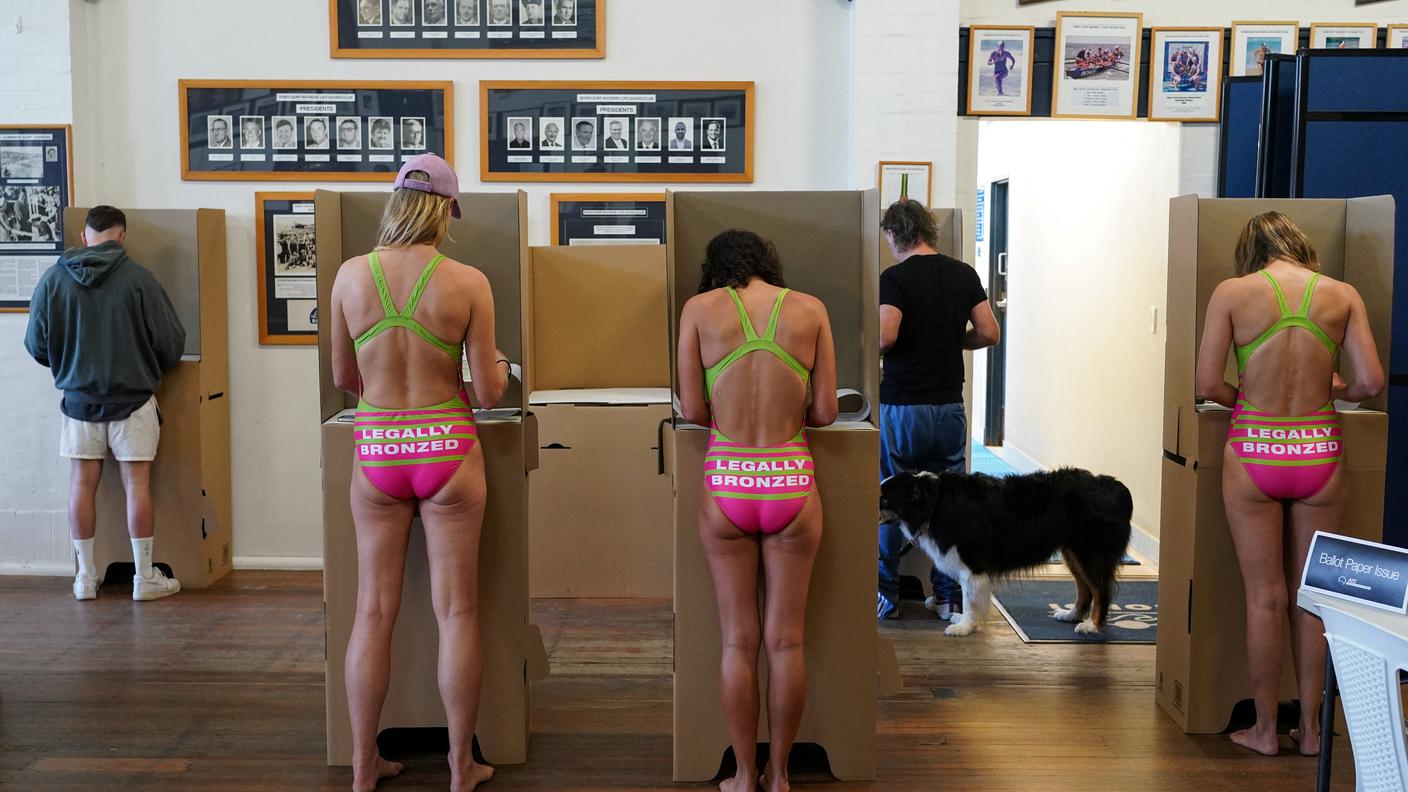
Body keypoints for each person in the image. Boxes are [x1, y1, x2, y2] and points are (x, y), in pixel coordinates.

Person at [330, 153, 508, 792]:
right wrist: (495, 367)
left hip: (378, 448)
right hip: (447, 448)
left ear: (395, 204)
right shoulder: (467, 281)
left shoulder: (351, 276)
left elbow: (344, 380)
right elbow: (488, 393)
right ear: (445, 212)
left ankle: (362, 766)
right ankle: (462, 766)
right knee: (457, 611)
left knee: (372, 612)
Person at [1195, 212, 1384, 757]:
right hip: (1320, 452)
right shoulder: (1342, 295)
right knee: (1313, 598)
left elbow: (1207, 383)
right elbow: (1369, 383)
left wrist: (1251, 401)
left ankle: (1263, 731)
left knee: (1264, 598)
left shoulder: (1233, 292)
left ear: (1250, 251)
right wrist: (1334, 384)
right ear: (1300, 246)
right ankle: (1312, 731)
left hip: (1254, 451)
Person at [677, 230, 837, 792]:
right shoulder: (810, 309)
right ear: (769, 262)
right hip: (791, 480)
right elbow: (824, 412)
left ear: (714, 266)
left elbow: (693, 410)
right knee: (786, 642)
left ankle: (744, 775)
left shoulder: (698, 310)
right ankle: (782, 775)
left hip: (728, 483)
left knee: (737, 642)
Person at [24, 205, 187, 603]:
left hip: (77, 401)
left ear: (85, 236)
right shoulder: (140, 280)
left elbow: (35, 345)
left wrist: (69, 366)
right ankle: (144, 577)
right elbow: (171, 343)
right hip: (132, 401)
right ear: (121, 236)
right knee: (138, 486)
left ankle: (85, 577)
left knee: (81, 485)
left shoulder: (53, 280)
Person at [875, 199, 1000, 622]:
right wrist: (951, 342)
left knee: (891, 500)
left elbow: (885, 337)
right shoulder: (963, 274)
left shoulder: (894, 278)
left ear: (893, 234)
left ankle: (887, 599)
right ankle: (948, 598)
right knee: (950, 504)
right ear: (929, 229)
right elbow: (989, 332)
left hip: (905, 406)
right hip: (949, 405)